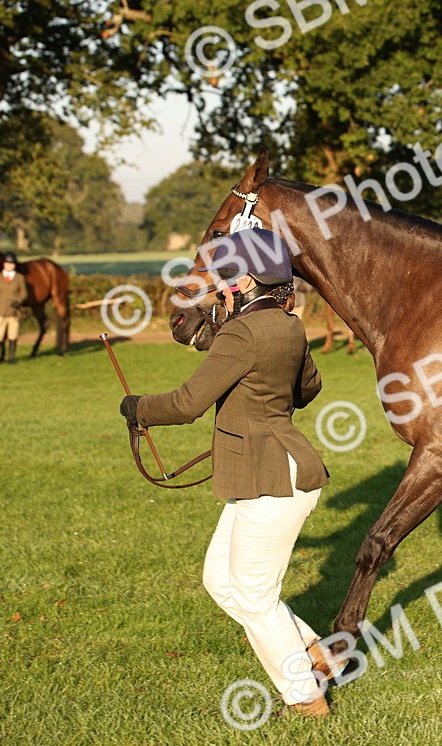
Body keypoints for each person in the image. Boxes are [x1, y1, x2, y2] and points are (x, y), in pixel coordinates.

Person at [119, 229, 335, 718]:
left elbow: (186, 404)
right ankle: (315, 650)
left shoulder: (241, 333)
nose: (219, 288)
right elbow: (309, 389)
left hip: (270, 477)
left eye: (224, 279)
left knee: (255, 597)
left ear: (245, 282)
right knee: (220, 580)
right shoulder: (290, 325)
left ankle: (305, 696)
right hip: (273, 471)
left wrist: (136, 407)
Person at [0, 252, 27, 364]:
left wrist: (18, 301)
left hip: (14, 311)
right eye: (7, 263)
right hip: (0, 311)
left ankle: (11, 357)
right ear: (4, 264)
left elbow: (24, 293)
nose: (9, 266)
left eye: (12, 264)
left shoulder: (19, 278)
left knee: (12, 335)